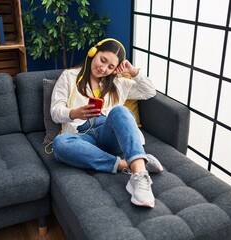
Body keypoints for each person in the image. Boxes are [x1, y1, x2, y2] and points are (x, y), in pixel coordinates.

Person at [50, 38, 163, 208]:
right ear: (93, 52)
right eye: (103, 60)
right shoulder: (69, 76)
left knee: (121, 110)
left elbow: (149, 92)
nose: (103, 68)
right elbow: (55, 112)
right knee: (60, 144)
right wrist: (74, 113)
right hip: (82, 136)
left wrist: (133, 71)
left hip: (109, 134)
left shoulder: (119, 83)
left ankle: (139, 176)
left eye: (110, 67)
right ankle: (129, 164)